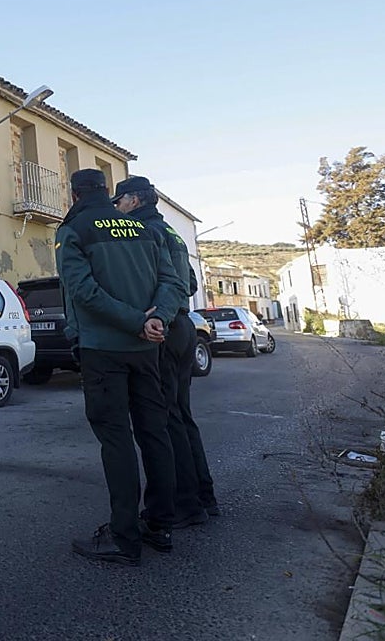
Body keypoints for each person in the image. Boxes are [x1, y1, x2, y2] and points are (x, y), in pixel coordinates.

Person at [56, 169, 180, 566]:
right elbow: (173, 281)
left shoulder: (75, 230)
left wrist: (134, 321)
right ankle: (160, 525)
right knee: (154, 432)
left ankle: (124, 537)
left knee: (116, 440)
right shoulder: (141, 228)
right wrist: (157, 317)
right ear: (108, 193)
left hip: (103, 349)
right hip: (147, 349)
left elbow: (83, 291)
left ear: (74, 192)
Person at [113, 176, 219, 523]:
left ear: (134, 201)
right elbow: (188, 283)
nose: (116, 208)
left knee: (164, 419)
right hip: (184, 327)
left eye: (120, 201)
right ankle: (204, 496)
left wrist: (151, 312)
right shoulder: (172, 233)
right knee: (181, 415)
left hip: (163, 330)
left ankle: (186, 505)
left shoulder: (141, 232)